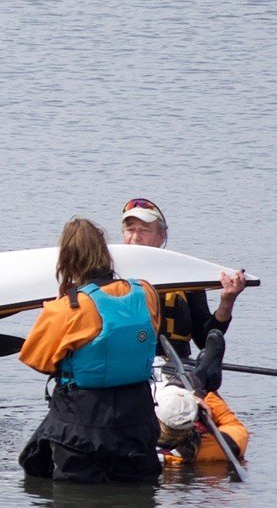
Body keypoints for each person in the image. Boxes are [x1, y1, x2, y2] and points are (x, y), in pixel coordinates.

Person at [17, 216, 166, 484]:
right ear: (105, 252)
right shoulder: (146, 292)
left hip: (81, 425)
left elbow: (37, 360)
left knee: (72, 505)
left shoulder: (67, 308)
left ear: (68, 260)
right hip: (137, 419)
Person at [118, 197, 250, 360]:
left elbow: (204, 339)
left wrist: (227, 302)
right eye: (130, 229)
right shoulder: (110, 276)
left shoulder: (183, 275)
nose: (136, 237)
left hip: (174, 368)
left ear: (162, 236)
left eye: (144, 230)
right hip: (124, 369)